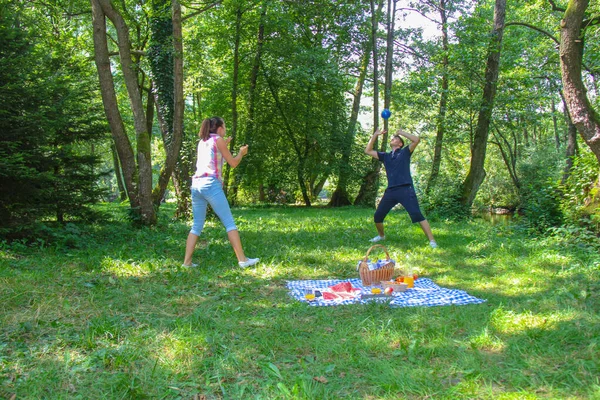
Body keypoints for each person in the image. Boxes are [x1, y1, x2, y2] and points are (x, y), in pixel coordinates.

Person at [183, 117, 260, 268]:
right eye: (224, 126)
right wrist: (241, 153)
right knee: (229, 223)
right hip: (211, 184)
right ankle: (243, 260)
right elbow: (233, 163)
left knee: (196, 225)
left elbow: (213, 156)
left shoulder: (203, 141)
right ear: (219, 128)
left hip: (196, 184)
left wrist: (226, 144)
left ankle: (186, 263)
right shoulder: (218, 140)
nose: (225, 129)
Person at [364, 128, 437, 248]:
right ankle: (381, 236)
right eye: (393, 138)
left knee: (417, 214)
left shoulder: (404, 152)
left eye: (395, 138)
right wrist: (375, 135)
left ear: (400, 143)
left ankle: (432, 241)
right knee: (378, 216)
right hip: (391, 191)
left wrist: (401, 133)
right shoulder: (386, 156)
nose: (393, 139)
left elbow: (416, 140)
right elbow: (368, 150)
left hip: (405, 189)